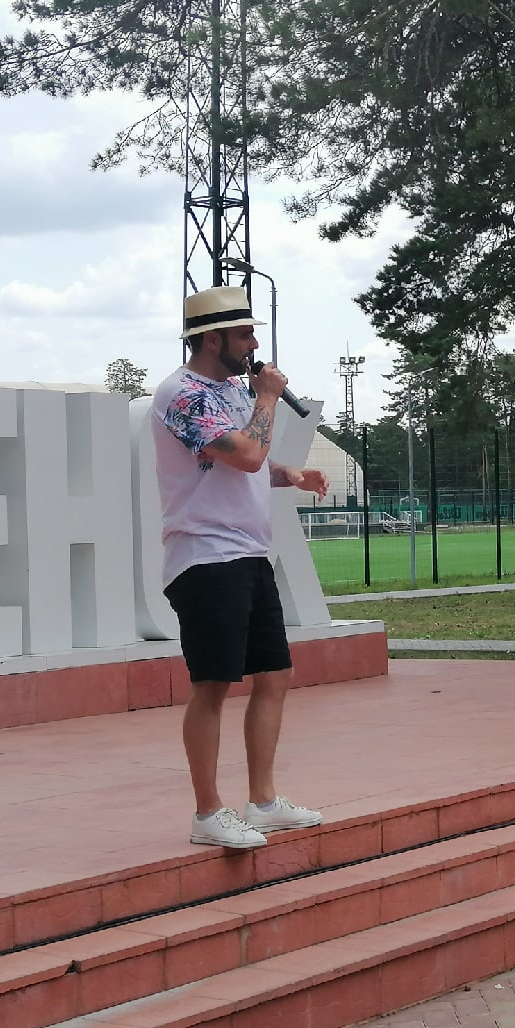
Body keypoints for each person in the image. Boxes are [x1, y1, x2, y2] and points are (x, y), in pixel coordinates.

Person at [150, 285, 331, 849]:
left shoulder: (231, 390)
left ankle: (264, 801)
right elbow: (246, 453)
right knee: (212, 685)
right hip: (205, 557)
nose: (254, 345)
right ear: (212, 339)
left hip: (249, 553)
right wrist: (269, 398)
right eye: (245, 334)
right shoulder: (182, 394)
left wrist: (289, 474)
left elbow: (244, 461)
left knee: (273, 676)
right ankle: (208, 812)